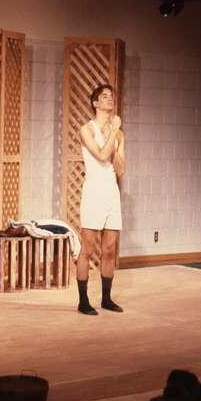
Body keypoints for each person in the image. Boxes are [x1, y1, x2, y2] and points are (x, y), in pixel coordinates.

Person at [76, 84, 126, 315]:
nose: (109, 100)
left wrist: (117, 137)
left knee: (109, 249)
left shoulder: (119, 134)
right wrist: (113, 131)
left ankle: (106, 298)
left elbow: (120, 169)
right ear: (95, 103)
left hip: (111, 194)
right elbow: (102, 155)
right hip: (93, 193)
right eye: (104, 97)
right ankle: (83, 301)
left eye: (111, 96)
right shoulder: (87, 129)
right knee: (87, 249)